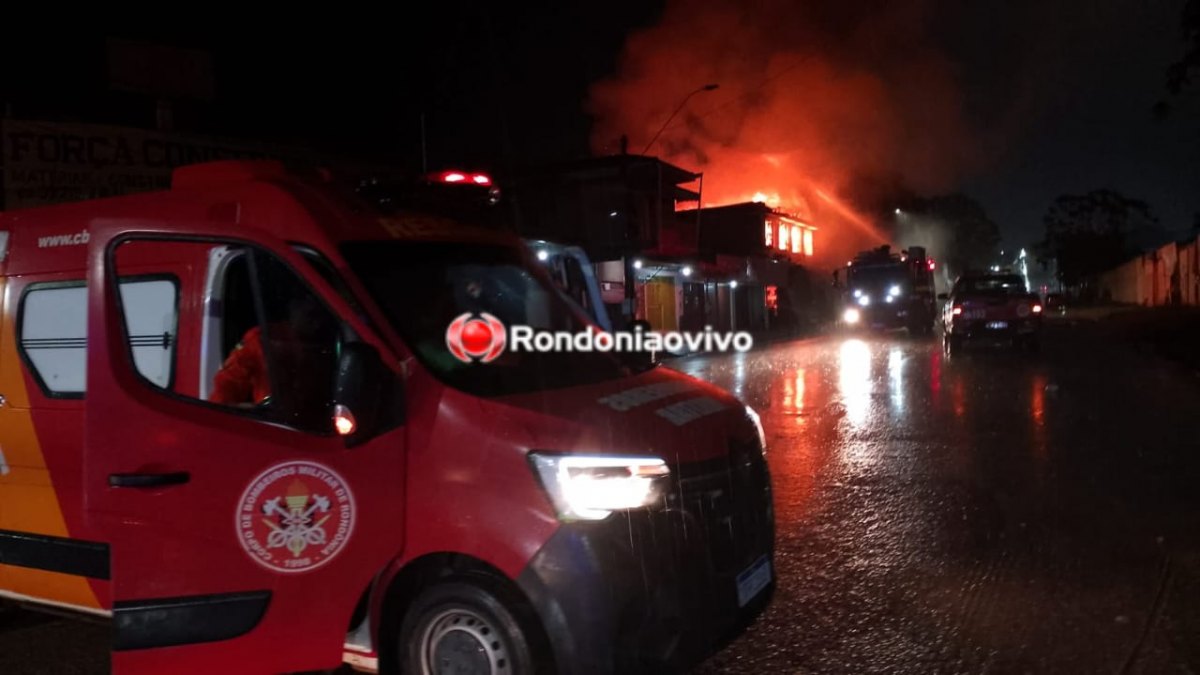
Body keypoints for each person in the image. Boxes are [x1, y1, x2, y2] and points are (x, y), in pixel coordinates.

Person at [210, 295, 338, 409]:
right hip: (273, 422)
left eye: (321, 317)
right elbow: (227, 383)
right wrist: (233, 411)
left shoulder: (330, 344)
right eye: (311, 315)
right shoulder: (262, 338)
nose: (317, 324)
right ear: (293, 308)